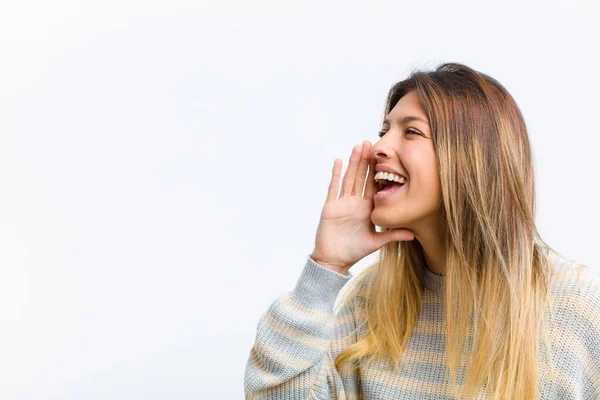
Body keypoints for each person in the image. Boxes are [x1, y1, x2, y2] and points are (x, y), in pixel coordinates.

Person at [243, 63, 600, 399]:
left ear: (472, 157)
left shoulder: (578, 307)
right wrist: (326, 266)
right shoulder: (371, 303)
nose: (380, 147)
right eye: (383, 131)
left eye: (410, 131)